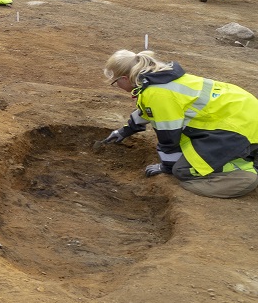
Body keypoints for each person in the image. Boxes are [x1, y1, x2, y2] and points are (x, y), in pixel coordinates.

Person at [100, 50, 258, 198]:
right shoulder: (158, 78)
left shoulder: (157, 92)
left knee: (182, 170)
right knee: (186, 154)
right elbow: (148, 111)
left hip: (239, 127)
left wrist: (166, 167)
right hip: (242, 114)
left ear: (124, 79)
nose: (117, 87)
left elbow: (169, 137)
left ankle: (244, 172)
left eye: (115, 83)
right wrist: (124, 131)